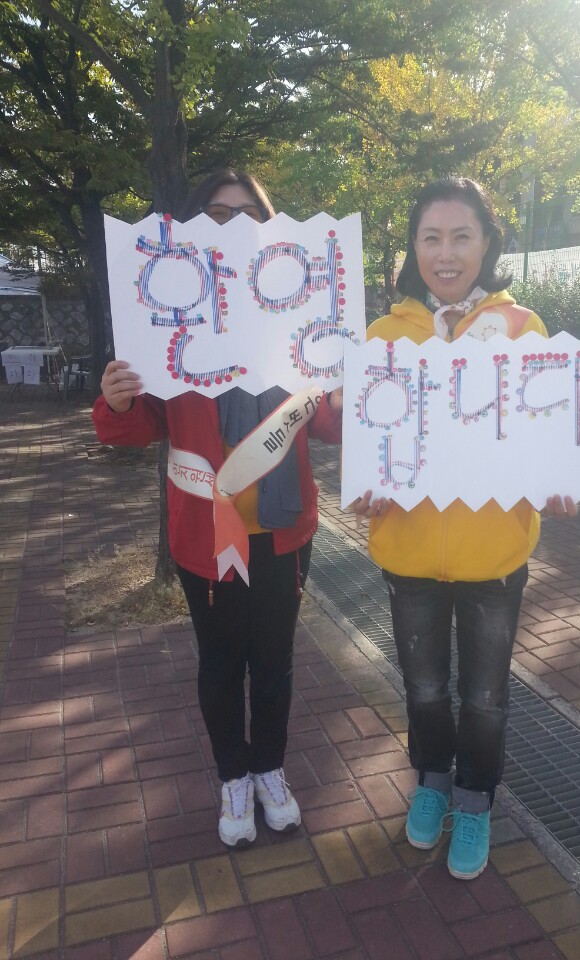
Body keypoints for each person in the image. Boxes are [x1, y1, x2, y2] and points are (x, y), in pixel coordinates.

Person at [93, 169, 343, 848]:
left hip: (283, 532)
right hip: (204, 532)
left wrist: (348, 396)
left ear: (271, 231)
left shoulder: (302, 314)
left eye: (249, 216)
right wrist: (116, 400)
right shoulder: (168, 312)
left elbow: (331, 427)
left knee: (275, 660)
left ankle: (269, 769)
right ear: (191, 229)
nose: (234, 227)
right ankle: (233, 774)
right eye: (217, 215)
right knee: (219, 661)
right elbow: (135, 423)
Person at [353, 177, 577, 881]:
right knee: (422, 689)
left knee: (484, 696)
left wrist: (559, 482)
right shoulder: (385, 336)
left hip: (494, 560)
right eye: (431, 237)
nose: (445, 254)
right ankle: (431, 785)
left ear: (488, 243)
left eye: (461, 236)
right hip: (410, 557)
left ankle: (475, 802)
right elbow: (372, 444)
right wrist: (366, 487)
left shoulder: (523, 330)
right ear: (412, 247)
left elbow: (547, 443)